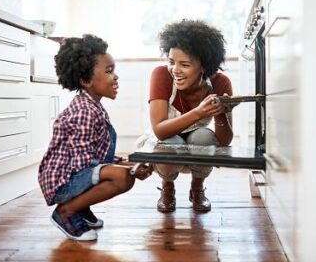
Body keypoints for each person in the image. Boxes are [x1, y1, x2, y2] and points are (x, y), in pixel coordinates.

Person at [38, 34, 154, 241]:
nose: (116, 77)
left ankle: (80, 208)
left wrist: (131, 162)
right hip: (62, 183)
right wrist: (129, 170)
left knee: (124, 173)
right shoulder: (84, 111)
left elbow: (98, 157)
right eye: (109, 71)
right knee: (123, 178)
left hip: (72, 176)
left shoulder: (92, 107)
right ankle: (66, 212)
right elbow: (84, 166)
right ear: (85, 80)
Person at [140, 19, 234, 213]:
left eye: (185, 64)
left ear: (204, 67)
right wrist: (199, 112)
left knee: (205, 137)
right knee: (168, 144)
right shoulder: (161, 75)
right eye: (172, 62)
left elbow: (224, 142)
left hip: (195, 144)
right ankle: (167, 188)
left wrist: (220, 114)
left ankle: (197, 188)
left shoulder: (221, 83)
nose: (175, 70)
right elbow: (160, 129)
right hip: (166, 140)